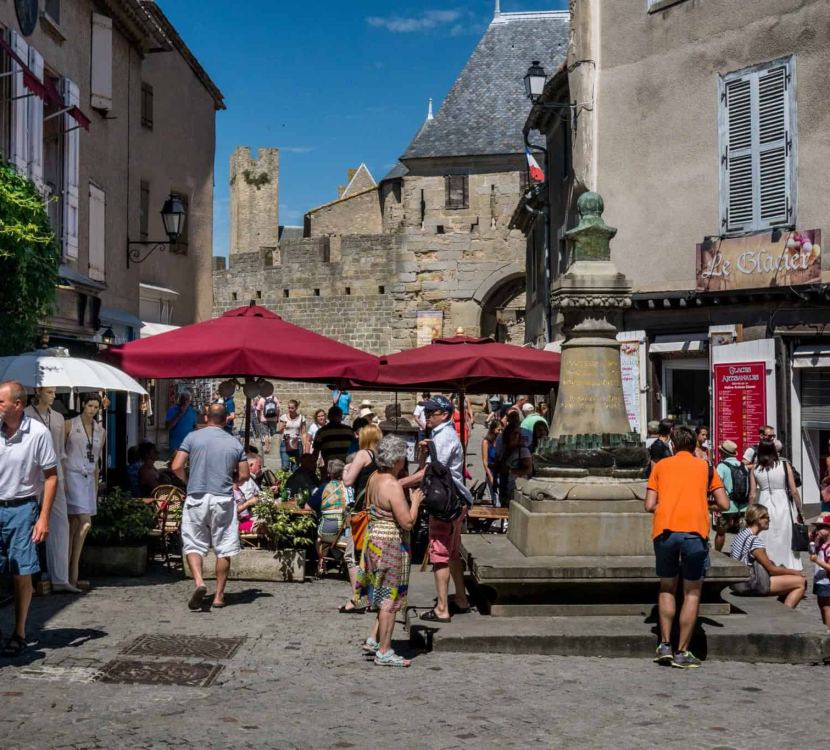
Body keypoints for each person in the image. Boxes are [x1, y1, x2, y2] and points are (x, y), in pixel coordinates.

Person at [646, 425, 729, 669]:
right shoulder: (706, 467)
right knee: (692, 592)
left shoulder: (660, 466)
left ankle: (664, 645)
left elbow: (649, 505)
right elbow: (724, 503)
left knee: (667, 588)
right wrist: (705, 504)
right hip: (694, 532)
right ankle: (682, 651)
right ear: (694, 444)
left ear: (672, 444)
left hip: (664, 531)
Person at [399, 395, 473, 623]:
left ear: (444, 415)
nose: (426, 416)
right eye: (426, 412)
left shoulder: (444, 437)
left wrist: (397, 484)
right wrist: (424, 453)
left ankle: (442, 608)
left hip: (445, 504)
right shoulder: (440, 435)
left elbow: (430, 473)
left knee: (439, 554)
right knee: (451, 554)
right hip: (455, 500)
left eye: (431, 413)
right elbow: (431, 468)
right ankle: (461, 598)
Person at [0, 381, 58, 656]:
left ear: (17, 404)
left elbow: (51, 477)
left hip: (23, 509)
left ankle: (19, 631)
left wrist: (43, 517)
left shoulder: (38, 433)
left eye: (1, 402)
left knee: (21, 572)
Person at [172, 403, 249, 610]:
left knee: (193, 543)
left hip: (196, 496)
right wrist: (232, 479)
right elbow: (244, 476)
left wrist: (188, 479)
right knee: (223, 547)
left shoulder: (192, 437)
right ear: (226, 420)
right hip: (222, 498)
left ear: (206, 418)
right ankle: (219, 596)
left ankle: (199, 582)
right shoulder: (234, 443)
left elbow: (176, 466)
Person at [356, 435, 423, 667]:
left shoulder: (375, 477)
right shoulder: (392, 485)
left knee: (382, 594)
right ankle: (385, 650)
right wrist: (415, 501)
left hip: (373, 539)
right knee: (389, 600)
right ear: (397, 459)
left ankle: (376, 641)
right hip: (389, 543)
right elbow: (407, 522)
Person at [25, 386, 77, 594]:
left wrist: (63, 477)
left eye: (55, 392)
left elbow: (61, 451)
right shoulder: (27, 415)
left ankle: (60, 577)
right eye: (49, 392)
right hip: (32, 474)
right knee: (28, 522)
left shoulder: (57, 417)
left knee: (60, 523)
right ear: (38, 392)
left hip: (55, 473)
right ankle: (26, 578)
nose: (53, 396)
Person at [64, 393, 105, 591]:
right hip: (72, 477)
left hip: (89, 479)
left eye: (96, 407)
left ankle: (68, 576)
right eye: (89, 406)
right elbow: (61, 454)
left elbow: (97, 462)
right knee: (85, 522)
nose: (92, 410)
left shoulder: (100, 431)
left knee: (73, 526)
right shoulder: (70, 425)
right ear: (83, 405)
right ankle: (73, 572)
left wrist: (96, 489)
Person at [730, 504, 806, 607]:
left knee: (789, 580)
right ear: (758, 519)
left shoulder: (742, 533)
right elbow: (772, 570)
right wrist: (795, 572)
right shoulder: (754, 541)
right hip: (749, 584)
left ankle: (781, 610)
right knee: (801, 582)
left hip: (737, 582)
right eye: (767, 518)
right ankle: (785, 614)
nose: (769, 521)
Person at [341, 423, 382, 612]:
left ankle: (357, 599)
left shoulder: (363, 454)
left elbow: (348, 482)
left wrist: (347, 468)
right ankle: (374, 598)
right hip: (378, 510)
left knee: (353, 556)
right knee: (373, 557)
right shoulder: (381, 457)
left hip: (361, 513)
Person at [749, 438, 803, 573]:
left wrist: (749, 513)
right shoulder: (784, 465)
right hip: (782, 502)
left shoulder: (754, 468)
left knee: (765, 535)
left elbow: (752, 494)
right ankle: (787, 567)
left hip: (763, 501)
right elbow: (794, 491)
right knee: (785, 535)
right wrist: (800, 511)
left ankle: (767, 567)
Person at [713, 440, 750, 552]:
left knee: (721, 532)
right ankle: (741, 554)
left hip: (727, 506)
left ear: (723, 453)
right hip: (743, 505)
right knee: (743, 532)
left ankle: (718, 554)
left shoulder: (722, 466)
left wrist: (716, 504)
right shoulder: (742, 466)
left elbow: (716, 485)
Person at [316, 459, 349, 574]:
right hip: (342, 533)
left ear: (329, 473)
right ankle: (342, 560)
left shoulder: (324, 487)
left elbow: (309, 506)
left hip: (325, 531)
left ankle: (321, 561)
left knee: (318, 539)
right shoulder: (348, 488)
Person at [496, 422, 533, 506]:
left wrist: (510, 470)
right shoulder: (503, 449)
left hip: (516, 489)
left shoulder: (523, 451)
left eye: (517, 433)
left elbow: (528, 470)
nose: (514, 435)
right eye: (512, 433)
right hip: (503, 487)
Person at [311, 406, 355, 473]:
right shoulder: (349, 430)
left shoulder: (321, 432)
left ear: (328, 417)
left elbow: (315, 452)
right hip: (347, 469)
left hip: (330, 469)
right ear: (340, 417)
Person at [809, 512, 830, 632]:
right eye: (817, 528)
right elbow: (813, 554)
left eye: (821, 527)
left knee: (826, 606)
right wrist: (812, 541)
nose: (818, 530)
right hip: (820, 580)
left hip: (826, 581)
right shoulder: (822, 544)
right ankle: (825, 627)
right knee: (822, 605)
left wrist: (817, 560)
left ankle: (828, 630)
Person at [234, 452, 264, 534]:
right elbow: (233, 511)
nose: (246, 480)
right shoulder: (231, 491)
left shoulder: (238, 490)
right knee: (266, 527)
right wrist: (248, 502)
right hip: (240, 523)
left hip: (246, 519)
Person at [278, 400, 306, 470]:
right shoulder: (283, 417)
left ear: (296, 408)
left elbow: (304, 432)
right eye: (289, 408)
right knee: (285, 467)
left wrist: (305, 445)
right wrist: (283, 427)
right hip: (285, 443)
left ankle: (294, 480)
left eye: (292, 408)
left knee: (295, 468)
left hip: (297, 443)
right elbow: (280, 431)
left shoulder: (301, 418)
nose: (290, 410)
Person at [481, 421, 502, 506]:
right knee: (494, 499)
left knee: (501, 498)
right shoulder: (486, 442)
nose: (500, 432)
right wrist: (490, 476)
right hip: (491, 472)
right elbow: (485, 462)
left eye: (501, 430)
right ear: (493, 429)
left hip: (501, 473)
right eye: (498, 430)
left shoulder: (501, 441)